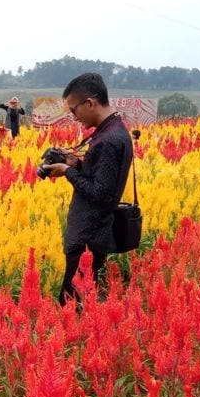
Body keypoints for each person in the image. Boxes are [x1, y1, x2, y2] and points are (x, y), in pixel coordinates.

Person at [41, 72, 133, 306]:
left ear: (90, 102)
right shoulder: (111, 131)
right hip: (91, 234)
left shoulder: (110, 139)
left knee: (71, 305)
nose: (74, 117)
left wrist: (67, 171)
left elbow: (101, 193)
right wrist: (77, 163)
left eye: (74, 110)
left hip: (88, 238)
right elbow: (102, 178)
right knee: (79, 302)